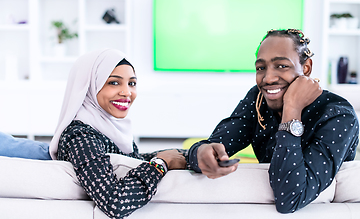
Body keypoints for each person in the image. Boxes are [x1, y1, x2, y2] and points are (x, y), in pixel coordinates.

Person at [188, 29, 359, 213]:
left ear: (306, 68)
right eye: (261, 68)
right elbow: (211, 147)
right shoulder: (258, 99)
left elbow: (290, 198)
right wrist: (201, 153)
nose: (268, 78)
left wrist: (292, 108)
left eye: (282, 66)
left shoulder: (339, 116)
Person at [49, 48, 187, 218]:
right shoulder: (81, 137)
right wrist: (161, 163)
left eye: (132, 83)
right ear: (89, 85)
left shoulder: (107, 129)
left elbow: (129, 159)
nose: (127, 92)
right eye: (114, 82)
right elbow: (116, 202)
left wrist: (181, 155)